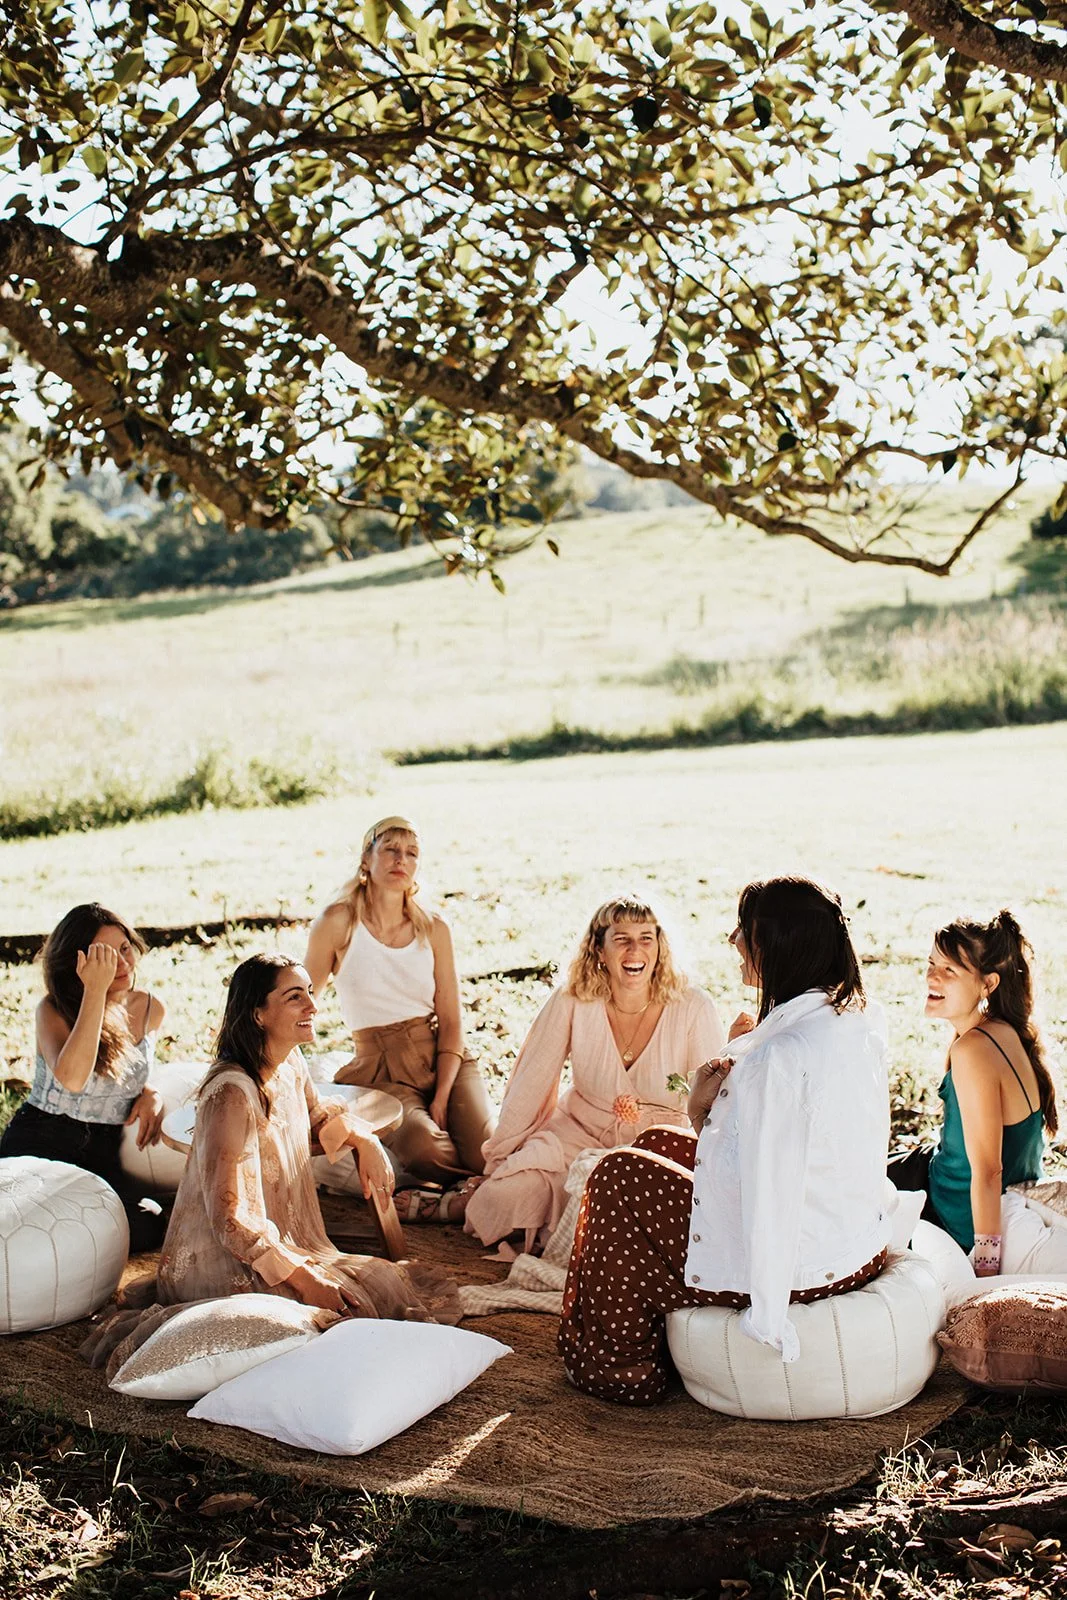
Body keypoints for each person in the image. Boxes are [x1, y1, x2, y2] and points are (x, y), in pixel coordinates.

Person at [558, 876, 891, 1405]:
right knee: (656, 1145)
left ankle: (619, 1368)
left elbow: (764, 1187)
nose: (733, 940)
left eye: (743, 931)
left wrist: (700, 1108)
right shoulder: (852, 1015)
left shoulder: (780, 1058)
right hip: (847, 1233)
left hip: (808, 1261)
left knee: (618, 1175)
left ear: (773, 945)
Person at [153, 953, 458, 1321]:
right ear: (258, 1014)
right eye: (294, 996)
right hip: (225, 1262)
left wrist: (365, 1139)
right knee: (341, 1314)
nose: (313, 1005)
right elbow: (228, 1220)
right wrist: (304, 1279)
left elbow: (317, 1113)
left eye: (310, 992)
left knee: (379, 1282)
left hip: (281, 1245)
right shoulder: (231, 1094)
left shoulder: (289, 1062)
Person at [464, 893, 726, 1251]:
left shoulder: (693, 1006)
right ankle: (468, 1204)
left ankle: (560, 1231)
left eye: (646, 938)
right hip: (578, 1136)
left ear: (660, 948)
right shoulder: (574, 999)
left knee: (620, 1222)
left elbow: (712, 1101)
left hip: (653, 1151)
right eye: (622, 940)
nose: (635, 950)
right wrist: (498, 1159)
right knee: (499, 1199)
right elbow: (531, 1081)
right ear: (599, 950)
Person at [304, 816, 493, 1221]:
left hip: (444, 1054)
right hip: (380, 1066)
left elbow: (452, 1019)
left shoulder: (434, 927)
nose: (400, 860)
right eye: (390, 848)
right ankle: (472, 1193)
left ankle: (471, 1190)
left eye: (411, 853)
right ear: (366, 858)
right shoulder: (338, 922)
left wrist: (442, 1095)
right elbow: (304, 999)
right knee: (427, 1149)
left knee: (484, 1148)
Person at [889, 911, 1059, 1276]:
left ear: (988, 984)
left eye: (950, 970)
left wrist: (985, 1265)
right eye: (932, 963)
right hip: (937, 1170)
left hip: (956, 1211)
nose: (932, 977)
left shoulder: (974, 1051)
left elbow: (988, 1171)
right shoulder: (1002, 1030)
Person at [0, 903, 168, 1251]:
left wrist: (150, 1091)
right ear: (79, 963)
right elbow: (72, 1080)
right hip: (42, 1138)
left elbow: (126, 1069)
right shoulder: (53, 1009)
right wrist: (95, 992)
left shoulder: (150, 1007)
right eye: (104, 956)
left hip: (102, 1150)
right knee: (30, 1233)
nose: (121, 964)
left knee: (147, 1226)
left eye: (125, 949)